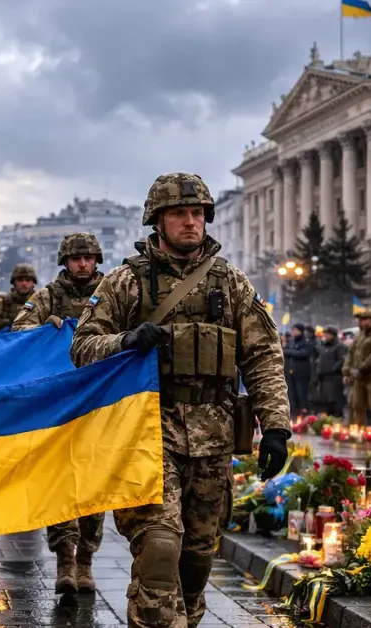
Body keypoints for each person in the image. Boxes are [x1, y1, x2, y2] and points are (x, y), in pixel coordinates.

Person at [70, 172, 290, 627]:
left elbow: (263, 356)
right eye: (179, 214)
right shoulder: (126, 282)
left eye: (197, 213)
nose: (190, 222)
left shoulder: (231, 283)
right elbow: (83, 347)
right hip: (148, 435)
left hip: (214, 439)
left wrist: (276, 427)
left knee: (197, 558)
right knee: (160, 547)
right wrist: (127, 340)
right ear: (157, 221)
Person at [13, 232, 106, 595]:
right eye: (76, 258)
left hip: (100, 401)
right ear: (65, 261)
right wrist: (43, 330)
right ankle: (65, 559)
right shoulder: (48, 296)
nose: (83, 264)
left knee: (95, 486)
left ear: (96, 260)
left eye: (88, 258)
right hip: (61, 403)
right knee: (60, 482)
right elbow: (19, 329)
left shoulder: (112, 292)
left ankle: (86, 560)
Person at [343, 310, 371, 429]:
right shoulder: (360, 335)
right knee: (357, 404)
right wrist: (347, 370)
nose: (362, 322)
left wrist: (361, 369)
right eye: (361, 320)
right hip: (359, 377)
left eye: (365, 320)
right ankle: (358, 430)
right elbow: (351, 353)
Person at [0, 264, 36, 335]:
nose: (24, 283)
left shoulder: (41, 304)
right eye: (20, 280)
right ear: (14, 282)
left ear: (33, 283)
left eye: (28, 280)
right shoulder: (1, 304)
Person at [310, 326, 346, 418]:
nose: (325, 336)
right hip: (323, 377)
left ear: (332, 335)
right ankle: (329, 419)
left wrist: (332, 369)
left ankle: (337, 419)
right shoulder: (324, 346)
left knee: (335, 400)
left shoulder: (339, 346)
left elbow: (342, 360)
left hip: (334, 377)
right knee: (326, 400)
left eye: (327, 334)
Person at [282, 323, 314, 417]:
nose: (293, 332)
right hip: (291, 372)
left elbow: (303, 353)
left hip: (301, 373)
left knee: (302, 394)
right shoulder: (292, 341)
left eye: (295, 330)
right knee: (292, 394)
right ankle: (294, 413)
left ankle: (304, 412)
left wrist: (289, 352)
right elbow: (285, 350)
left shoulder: (306, 342)